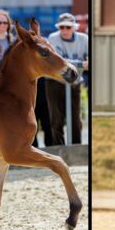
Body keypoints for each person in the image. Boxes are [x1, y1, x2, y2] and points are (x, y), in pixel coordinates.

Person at [46, 13, 88, 144]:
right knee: (56, 119)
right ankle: (59, 149)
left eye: (68, 27)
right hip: (55, 82)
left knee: (75, 119)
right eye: (62, 27)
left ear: (74, 28)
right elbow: (59, 62)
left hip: (74, 82)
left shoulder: (84, 39)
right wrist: (81, 64)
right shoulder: (53, 38)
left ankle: (77, 148)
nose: (64, 30)